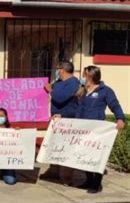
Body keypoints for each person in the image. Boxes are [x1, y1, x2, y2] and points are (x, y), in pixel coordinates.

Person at [65, 65, 125, 193]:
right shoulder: (82, 90)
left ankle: (96, 184)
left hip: (97, 129)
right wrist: (62, 116)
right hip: (82, 128)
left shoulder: (105, 90)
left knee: (96, 156)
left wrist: (120, 118)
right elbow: (74, 108)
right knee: (85, 154)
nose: (82, 77)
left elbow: (114, 105)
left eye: (84, 74)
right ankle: (88, 180)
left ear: (91, 76)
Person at [41, 61, 80, 183]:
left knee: (67, 148)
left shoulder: (73, 83)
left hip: (67, 119)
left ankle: (66, 176)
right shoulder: (58, 82)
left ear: (62, 70)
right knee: (55, 146)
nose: (56, 71)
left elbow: (60, 98)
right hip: (55, 120)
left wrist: (51, 90)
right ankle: (54, 171)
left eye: (58, 69)